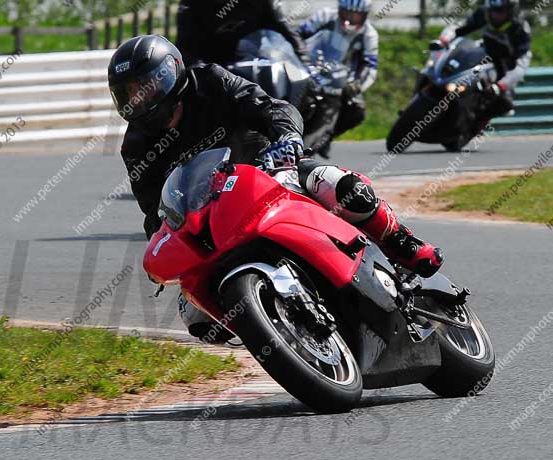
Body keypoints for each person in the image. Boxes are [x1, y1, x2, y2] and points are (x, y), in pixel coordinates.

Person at [107, 35, 443, 341]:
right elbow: (155, 210)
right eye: (130, 94)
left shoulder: (209, 81)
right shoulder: (136, 146)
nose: (140, 99)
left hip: (271, 168)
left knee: (341, 187)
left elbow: (270, 107)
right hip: (214, 215)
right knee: (197, 315)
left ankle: (400, 241)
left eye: (147, 86)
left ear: (172, 72)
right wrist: (163, 244)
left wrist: (287, 137)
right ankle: (275, 328)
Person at [299, 0, 379, 144]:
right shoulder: (325, 16)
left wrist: (357, 84)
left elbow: (370, 66)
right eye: (347, 13)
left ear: (365, 15)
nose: (350, 19)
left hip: (340, 79)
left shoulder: (369, 35)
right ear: (340, 10)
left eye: (356, 15)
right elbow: (298, 35)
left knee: (357, 111)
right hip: (307, 66)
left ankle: (324, 139)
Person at [439, 0, 531, 119]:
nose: (495, 15)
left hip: (509, 63)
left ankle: (480, 122)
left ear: (510, 11)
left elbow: (520, 65)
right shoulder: (483, 13)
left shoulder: (521, 28)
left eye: (500, 12)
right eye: (493, 11)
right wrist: (446, 37)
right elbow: (460, 26)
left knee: (502, 102)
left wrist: (502, 85)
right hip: (484, 51)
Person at [175, 0, 309, 67]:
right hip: (219, 76)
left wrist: (304, 61)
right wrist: (204, 71)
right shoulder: (191, 6)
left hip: (261, 64)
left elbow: (282, 26)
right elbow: (184, 50)